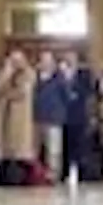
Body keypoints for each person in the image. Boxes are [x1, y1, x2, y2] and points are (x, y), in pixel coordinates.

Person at [0, 50, 36, 186]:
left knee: (18, 150)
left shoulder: (28, 74)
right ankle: (4, 175)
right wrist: (5, 74)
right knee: (4, 149)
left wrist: (5, 94)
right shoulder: (6, 74)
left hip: (19, 117)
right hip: (4, 116)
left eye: (17, 60)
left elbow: (21, 93)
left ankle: (17, 177)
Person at [32, 52, 69, 180]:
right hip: (36, 117)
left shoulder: (59, 78)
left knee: (53, 150)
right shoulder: (35, 77)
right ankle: (36, 174)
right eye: (43, 60)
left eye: (48, 61)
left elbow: (66, 96)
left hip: (54, 118)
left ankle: (53, 174)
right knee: (35, 148)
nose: (45, 63)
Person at [61, 53, 96, 182]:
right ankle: (64, 172)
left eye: (72, 58)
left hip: (79, 113)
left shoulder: (84, 74)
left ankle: (82, 172)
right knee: (65, 145)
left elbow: (89, 91)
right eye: (67, 59)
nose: (69, 61)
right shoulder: (60, 74)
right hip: (64, 114)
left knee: (80, 144)